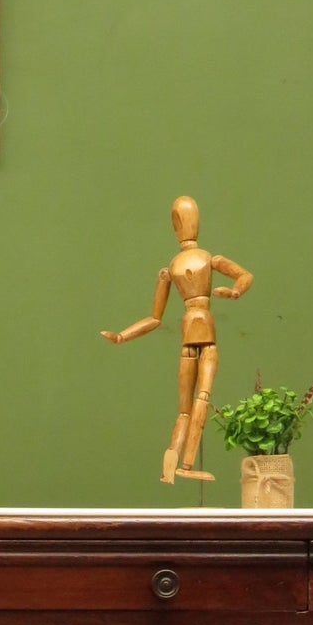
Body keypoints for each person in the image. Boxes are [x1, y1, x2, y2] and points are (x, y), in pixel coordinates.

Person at [101, 196, 253, 484]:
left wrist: (122, 336)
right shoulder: (209, 258)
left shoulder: (170, 267)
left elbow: (154, 318)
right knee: (202, 398)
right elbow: (245, 276)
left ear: (175, 227)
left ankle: (171, 467)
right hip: (205, 334)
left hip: (188, 332)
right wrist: (233, 292)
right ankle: (184, 464)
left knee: (185, 408)